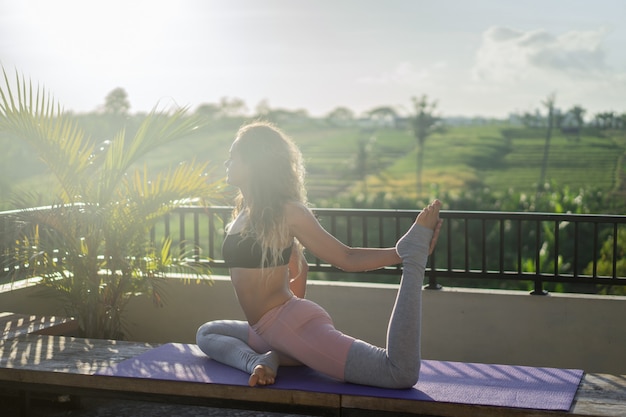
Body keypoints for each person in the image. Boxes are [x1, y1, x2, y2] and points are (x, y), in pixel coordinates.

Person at [196, 121, 442, 389]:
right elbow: (298, 265)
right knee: (207, 333)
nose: (227, 163)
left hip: (287, 323)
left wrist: (400, 254)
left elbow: (345, 257)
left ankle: (414, 259)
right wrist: (281, 335)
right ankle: (264, 358)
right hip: (266, 331)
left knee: (399, 373)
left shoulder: (287, 211)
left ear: (255, 163)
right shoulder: (245, 212)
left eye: (233, 157)